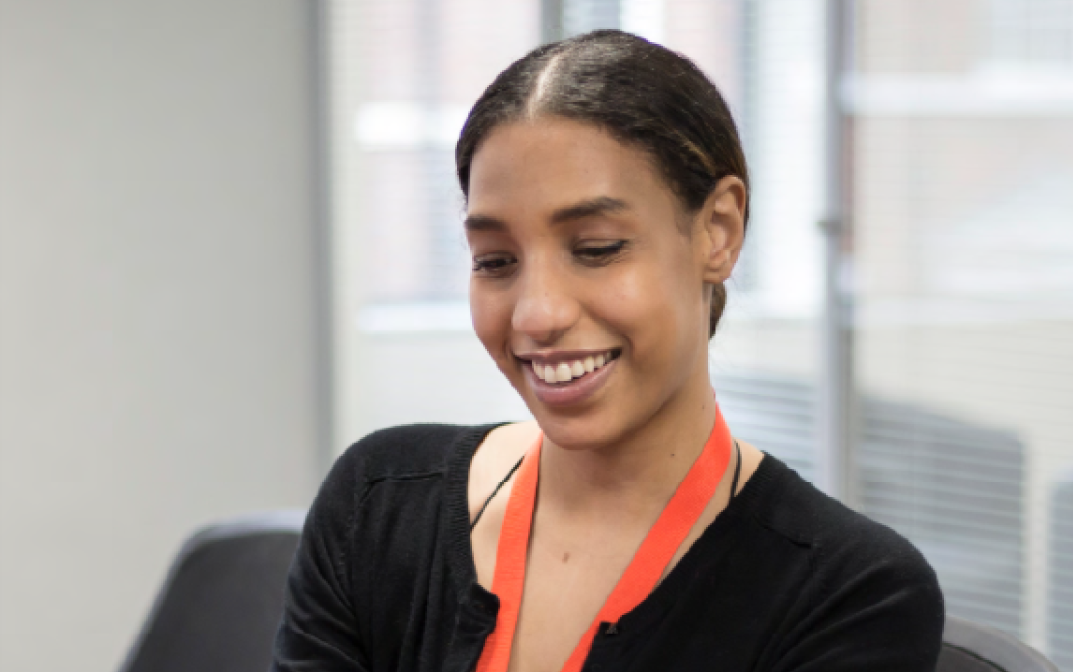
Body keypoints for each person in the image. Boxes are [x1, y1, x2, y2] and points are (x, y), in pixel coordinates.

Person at [271, 29, 943, 672]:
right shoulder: (379, 504)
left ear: (717, 231)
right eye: (495, 260)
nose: (537, 315)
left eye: (596, 249)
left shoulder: (849, 593)